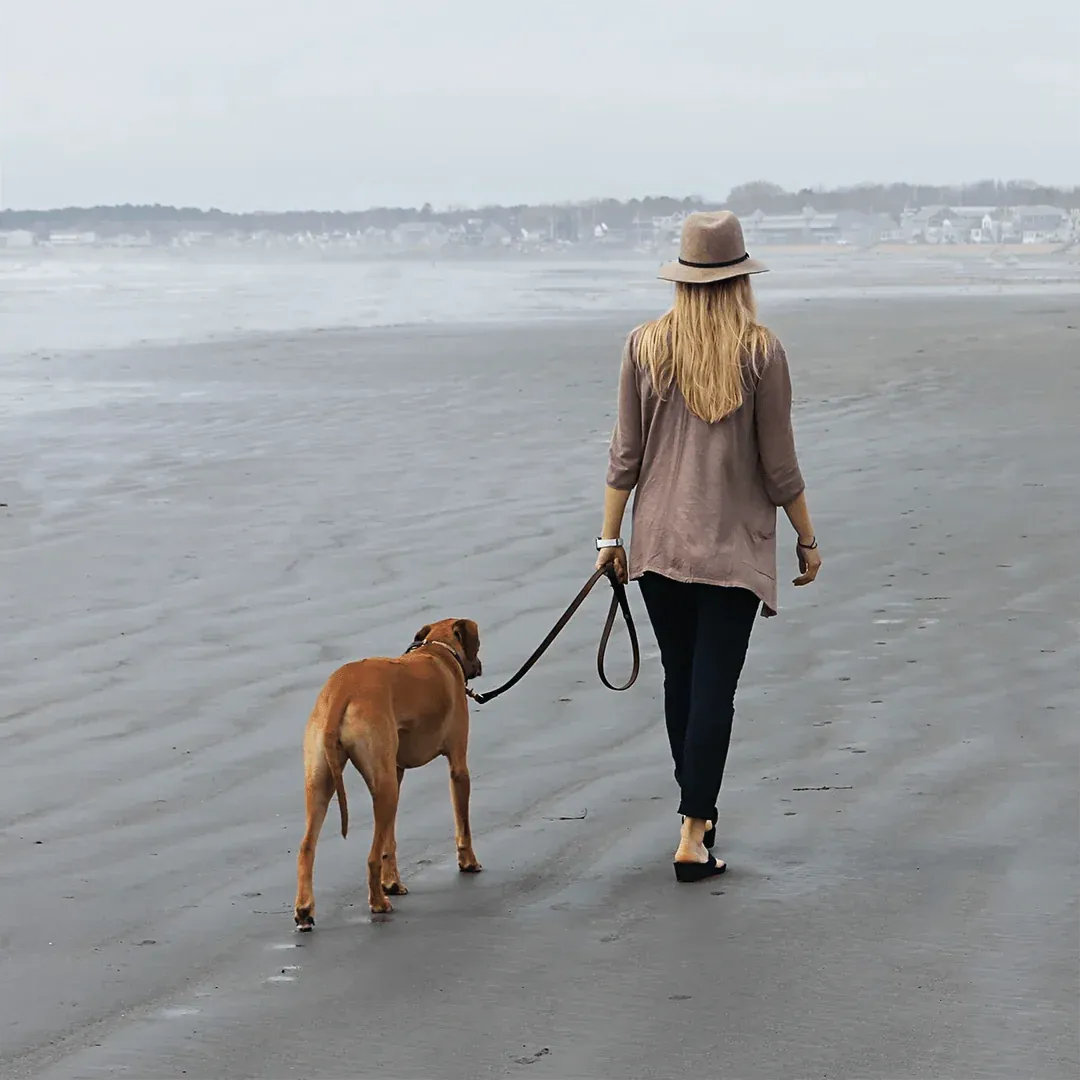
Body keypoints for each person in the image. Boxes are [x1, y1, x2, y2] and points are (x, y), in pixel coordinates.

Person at [595, 210, 821, 883]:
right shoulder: (761, 352)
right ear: (739, 279)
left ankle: (696, 811)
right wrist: (806, 536)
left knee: (682, 682)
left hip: (660, 543)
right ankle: (695, 830)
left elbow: (623, 457)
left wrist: (609, 537)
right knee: (712, 692)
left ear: (685, 280)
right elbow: (779, 466)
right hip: (731, 551)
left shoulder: (644, 345)